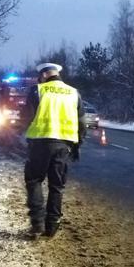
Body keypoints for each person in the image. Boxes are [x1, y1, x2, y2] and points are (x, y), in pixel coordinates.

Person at [22, 63, 85, 239]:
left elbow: (27, 116)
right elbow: (81, 122)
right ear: (57, 74)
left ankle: (37, 223)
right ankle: (52, 225)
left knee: (34, 180)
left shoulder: (38, 90)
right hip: (63, 145)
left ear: (43, 75)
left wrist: (25, 135)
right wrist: (77, 145)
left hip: (40, 143)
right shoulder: (74, 93)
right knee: (57, 185)